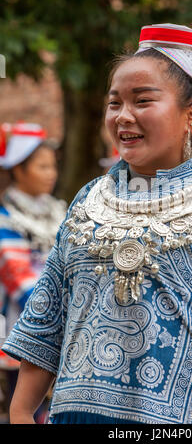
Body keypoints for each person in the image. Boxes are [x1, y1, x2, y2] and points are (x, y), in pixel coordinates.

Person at [2, 24, 192, 425]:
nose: (123, 116)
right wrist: (20, 412)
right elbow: (48, 313)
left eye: (143, 100)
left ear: (191, 114)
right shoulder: (88, 201)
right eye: (114, 102)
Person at [0, 121, 66, 422]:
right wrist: (63, 309)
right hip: (22, 327)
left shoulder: (60, 211)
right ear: (17, 170)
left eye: (52, 166)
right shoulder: (6, 218)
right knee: (26, 408)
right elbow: (20, 280)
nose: (51, 174)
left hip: (60, 320)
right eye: (42, 167)